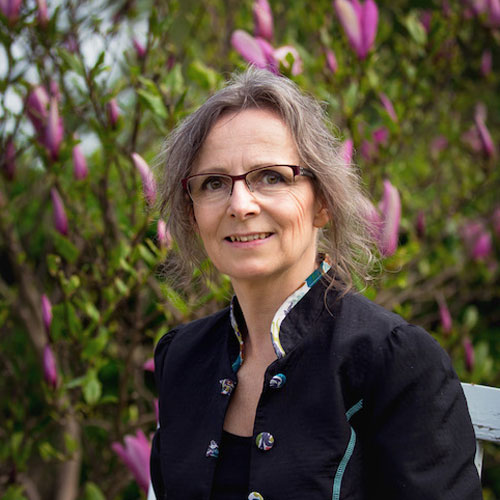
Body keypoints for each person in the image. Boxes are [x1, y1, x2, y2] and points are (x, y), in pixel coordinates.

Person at [150, 67, 482, 500]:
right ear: (192, 214)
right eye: (214, 183)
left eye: (271, 176)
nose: (240, 205)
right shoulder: (182, 357)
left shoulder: (393, 361)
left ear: (322, 202)